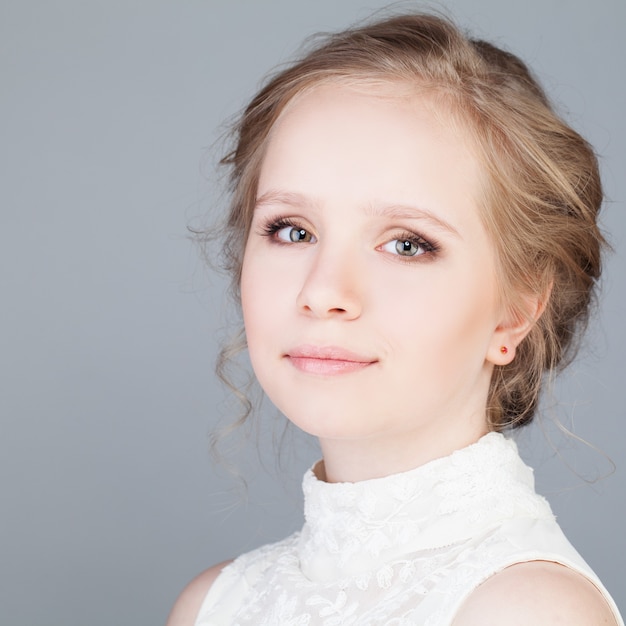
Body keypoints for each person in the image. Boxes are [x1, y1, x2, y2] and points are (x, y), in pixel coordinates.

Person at [167, 12, 623, 626]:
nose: (323, 291)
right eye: (292, 230)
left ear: (517, 308)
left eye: (408, 243)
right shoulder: (213, 606)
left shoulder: (526, 610)